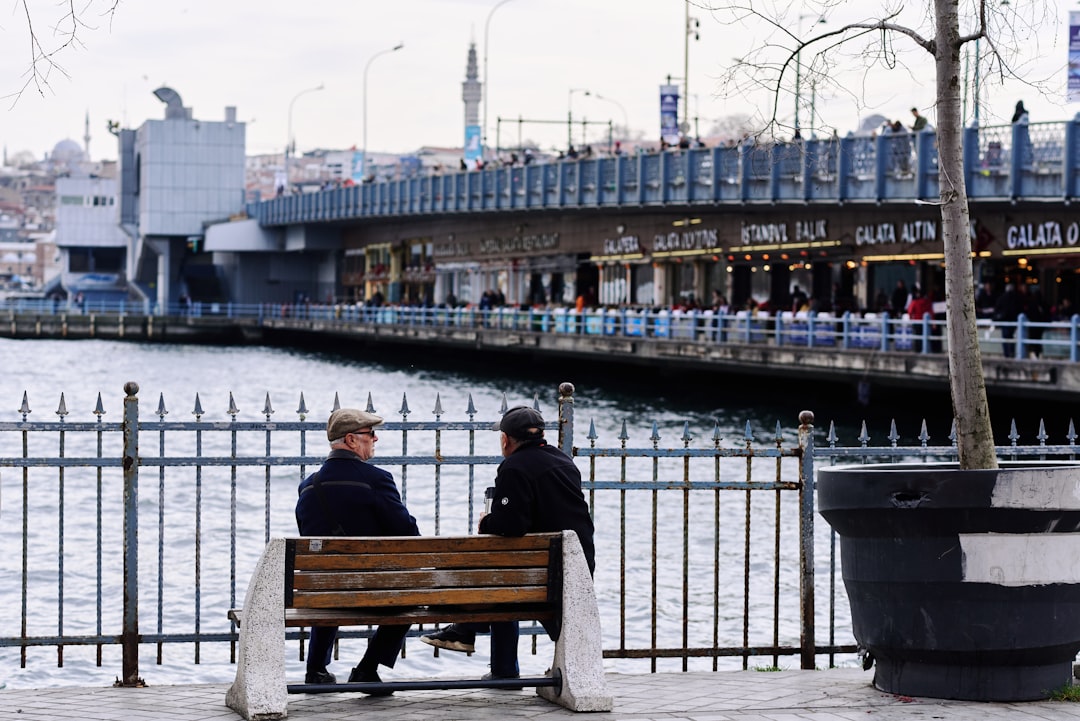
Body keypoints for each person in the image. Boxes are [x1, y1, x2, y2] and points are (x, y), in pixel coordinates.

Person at [420, 406, 596, 685]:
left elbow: (511, 525)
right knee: (504, 576)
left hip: (541, 578)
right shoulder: (563, 462)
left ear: (506, 439)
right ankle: (485, 650)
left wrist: (485, 522)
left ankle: (467, 630)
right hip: (578, 566)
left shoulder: (514, 467)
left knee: (498, 576)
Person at [295, 408, 420, 692]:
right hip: (371, 590)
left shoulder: (308, 486)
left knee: (329, 579)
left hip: (322, 591)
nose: (375, 439)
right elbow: (409, 534)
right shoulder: (376, 479)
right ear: (351, 440)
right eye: (370, 435)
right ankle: (367, 668)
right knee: (412, 595)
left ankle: (316, 669)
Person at [994, 283, 1022, 358]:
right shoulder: (1016, 298)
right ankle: (1012, 353)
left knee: (1005, 339)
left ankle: (1007, 354)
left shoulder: (1002, 298)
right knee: (1011, 338)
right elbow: (1019, 309)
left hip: (1004, 321)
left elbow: (997, 309)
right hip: (1013, 321)